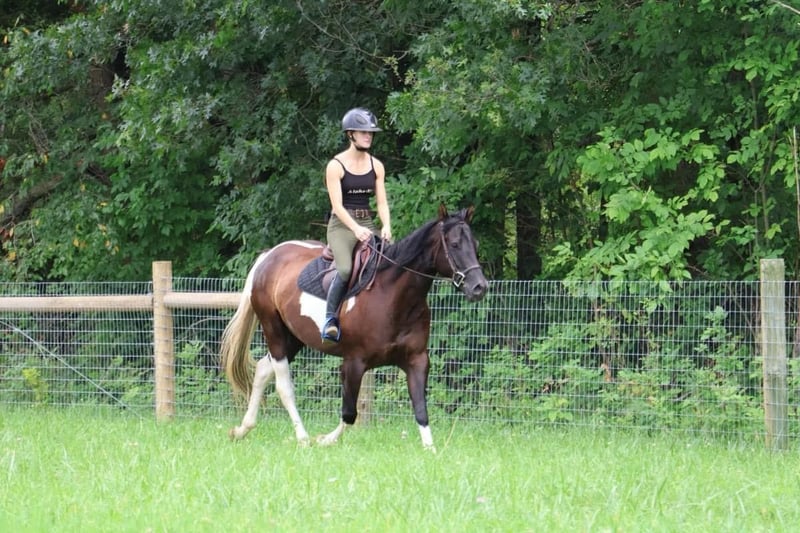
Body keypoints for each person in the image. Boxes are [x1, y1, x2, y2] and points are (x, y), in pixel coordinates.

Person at [321, 107, 392, 342]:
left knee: (389, 261)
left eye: (370, 133)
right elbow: (337, 206)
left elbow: (381, 202)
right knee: (344, 269)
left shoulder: (377, 165)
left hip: (367, 221)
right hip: (342, 226)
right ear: (350, 134)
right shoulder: (335, 166)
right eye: (363, 132)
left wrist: (386, 226)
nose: (368, 136)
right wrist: (355, 229)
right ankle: (330, 319)